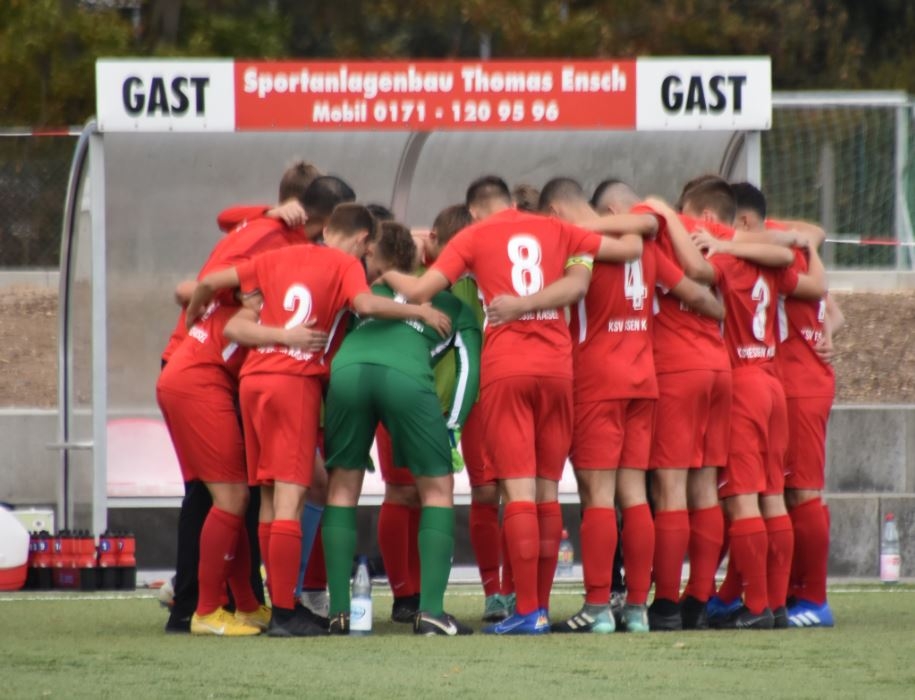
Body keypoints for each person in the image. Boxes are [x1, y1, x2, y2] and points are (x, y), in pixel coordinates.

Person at [381, 175, 650, 634]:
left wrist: (384, 272)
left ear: (475, 211)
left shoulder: (473, 236)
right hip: (558, 369)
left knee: (518, 493)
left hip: (508, 367)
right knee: (547, 492)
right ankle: (541, 607)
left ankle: (528, 611)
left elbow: (421, 291)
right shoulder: (558, 228)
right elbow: (628, 250)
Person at [184, 204, 451, 637]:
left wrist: (193, 315)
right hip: (293, 382)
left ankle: (276, 604)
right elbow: (364, 303)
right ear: (363, 240)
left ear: (326, 228)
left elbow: (215, 289)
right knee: (290, 500)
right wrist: (418, 311)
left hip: (253, 382)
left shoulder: (275, 258)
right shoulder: (343, 266)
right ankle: (285, 611)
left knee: (269, 498)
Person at [526, 178, 723, 633]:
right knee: (635, 495)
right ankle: (636, 608)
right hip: (642, 378)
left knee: (598, 495)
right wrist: (723, 316)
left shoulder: (578, 243)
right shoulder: (646, 247)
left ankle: (598, 606)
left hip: (596, 379)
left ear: (556, 212)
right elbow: (696, 293)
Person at [157, 168, 341, 634]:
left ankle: (245, 601)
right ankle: (199, 608)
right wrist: (282, 333)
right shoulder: (272, 253)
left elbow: (227, 220)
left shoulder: (268, 237)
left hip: (206, 374)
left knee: (240, 494)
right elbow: (193, 288)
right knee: (228, 496)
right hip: (196, 377)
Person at [322, 221, 481, 636]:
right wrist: (452, 428)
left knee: (342, 488)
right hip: (406, 379)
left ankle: (339, 613)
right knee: (437, 489)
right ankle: (431, 613)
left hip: (347, 373)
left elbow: (332, 340)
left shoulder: (364, 292)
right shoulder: (454, 306)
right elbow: (468, 370)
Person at [681, 178, 825, 629]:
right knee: (772, 497)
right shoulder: (767, 261)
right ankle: (776, 604)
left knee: (742, 499)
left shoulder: (723, 260)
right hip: (772, 382)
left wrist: (712, 245)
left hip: (741, 384)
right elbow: (799, 267)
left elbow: (696, 276)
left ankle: (758, 605)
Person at [732, 182, 842, 628]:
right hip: (792, 381)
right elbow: (834, 308)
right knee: (778, 491)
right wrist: (828, 330)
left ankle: (813, 598)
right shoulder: (783, 245)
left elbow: (814, 256)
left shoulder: (771, 250)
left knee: (801, 491)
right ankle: (780, 591)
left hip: (798, 382)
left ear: (743, 221)